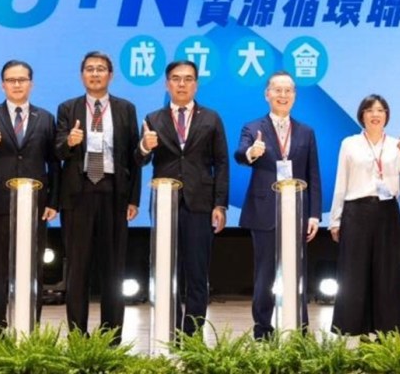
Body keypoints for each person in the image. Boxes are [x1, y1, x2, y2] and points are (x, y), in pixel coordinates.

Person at [0, 60, 59, 330]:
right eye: (11, 80)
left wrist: (53, 200)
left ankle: (28, 327)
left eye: (22, 80)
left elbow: (54, 162)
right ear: (2, 85)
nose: (16, 85)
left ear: (31, 84)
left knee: (32, 269)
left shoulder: (45, 118)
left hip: (35, 205)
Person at [138, 60, 229, 335]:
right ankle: (168, 331)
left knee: (197, 273)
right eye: (176, 79)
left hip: (200, 203)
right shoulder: (153, 119)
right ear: (167, 84)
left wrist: (220, 204)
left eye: (188, 79)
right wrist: (144, 147)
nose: (182, 84)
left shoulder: (211, 118)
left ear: (196, 85)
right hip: (165, 205)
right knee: (167, 270)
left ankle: (191, 335)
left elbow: (221, 163)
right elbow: (139, 160)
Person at [55, 51, 141, 342]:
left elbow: (133, 157)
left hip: (113, 192)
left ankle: (111, 336)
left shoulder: (126, 109)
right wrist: (69, 142)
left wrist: (133, 198)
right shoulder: (67, 108)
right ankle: (78, 336)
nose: (95, 74)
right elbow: (57, 151)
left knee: (113, 269)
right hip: (78, 194)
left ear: (110, 75)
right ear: (82, 75)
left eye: (101, 69)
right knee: (77, 268)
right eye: (90, 69)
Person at [234, 71, 322, 339]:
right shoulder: (253, 128)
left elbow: (313, 175)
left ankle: (299, 329)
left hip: (297, 212)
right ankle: (263, 329)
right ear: (267, 94)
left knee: (297, 273)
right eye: (277, 90)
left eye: (288, 91)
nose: (283, 95)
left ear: (294, 95)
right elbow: (239, 154)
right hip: (264, 211)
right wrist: (252, 152)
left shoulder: (306, 131)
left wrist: (314, 215)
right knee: (265, 274)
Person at [328, 94, 400, 336]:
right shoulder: (350, 143)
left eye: (380, 110)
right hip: (356, 211)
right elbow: (341, 181)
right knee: (354, 272)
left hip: (387, 211)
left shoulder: (395, 144)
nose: (375, 114)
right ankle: (354, 330)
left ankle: (386, 331)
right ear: (362, 116)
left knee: (387, 271)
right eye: (369, 110)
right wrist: (335, 219)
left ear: (386, 115)